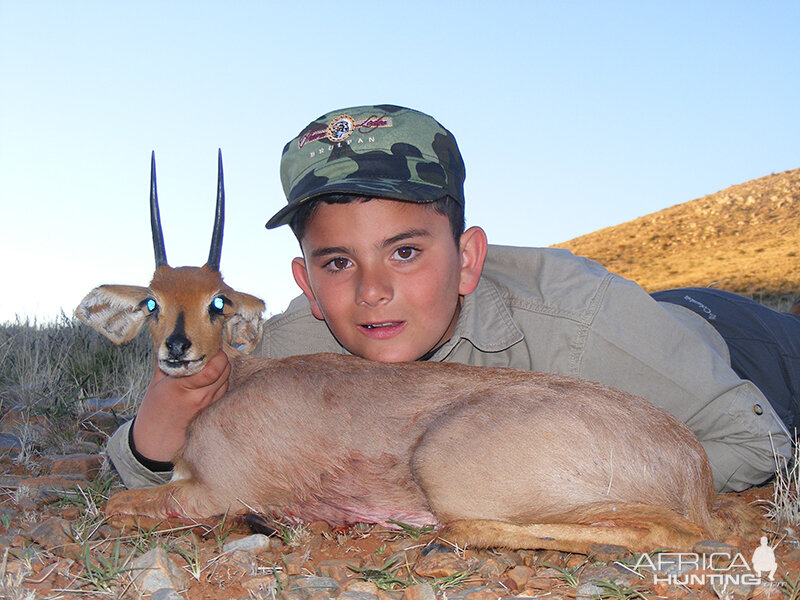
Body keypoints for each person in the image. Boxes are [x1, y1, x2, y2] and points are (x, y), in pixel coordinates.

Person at [106, 104, 798, 494]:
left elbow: (757, 438)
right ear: (307, 286)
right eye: (339, 262)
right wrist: (159, 423)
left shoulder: (582, 326)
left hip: (744, 351)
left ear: (467, 259)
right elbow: (150, 461)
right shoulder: (308, 339)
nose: (372, 291)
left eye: (405, 252)